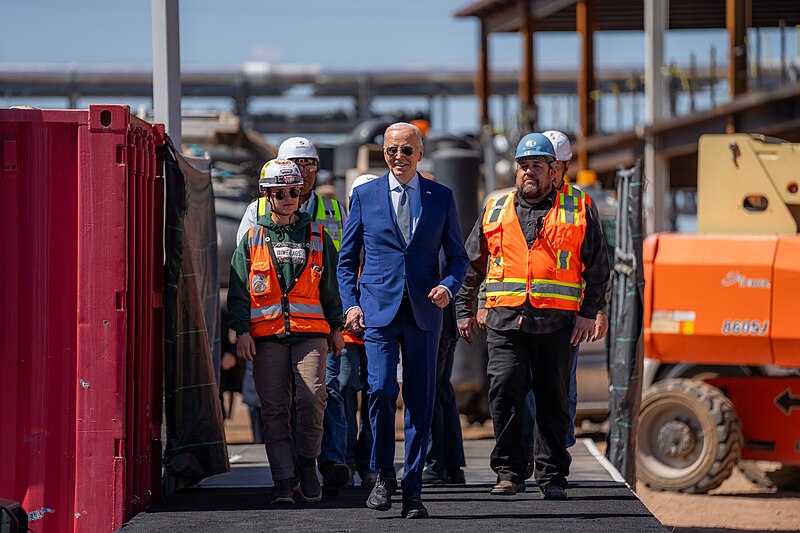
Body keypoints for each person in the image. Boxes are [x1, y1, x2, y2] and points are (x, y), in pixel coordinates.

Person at [456, 133, 609, 501]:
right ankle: (509, 472)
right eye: (524, 165)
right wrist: (464, 309)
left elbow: (599, 267)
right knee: (504, 393)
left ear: (553, 171)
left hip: (557, 324)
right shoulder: (496, 208)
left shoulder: (579, 206)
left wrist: (590, 313)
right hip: (505, 322)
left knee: (553, 400)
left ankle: (552, 476)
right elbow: (470, 265)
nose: (529, 172)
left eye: (537, 166)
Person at [337, 122, 469, 519]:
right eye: (391, 150)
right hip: (377, 310)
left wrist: (449, 285)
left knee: (420, 401)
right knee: (377, 392)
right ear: (384, 153)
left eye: (406, 151)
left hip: (424, 311)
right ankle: (383, 474)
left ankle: (413, 488)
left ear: (420, 153)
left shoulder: (441, 198)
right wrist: (351, 305)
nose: (398, 157)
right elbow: (346, 262)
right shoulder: (365, 195)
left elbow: (459, 257)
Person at [236, 137, 352, 493]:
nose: (289, 198)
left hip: (311, 331)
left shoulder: (319, 229)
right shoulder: (253, 232)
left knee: (314, 397)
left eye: (295, 192)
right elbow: (239, 285)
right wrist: (240, 330)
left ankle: (308, 464)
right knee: (274, 408)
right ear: (267, 194)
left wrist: (337, 327)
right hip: (268, 334)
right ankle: (283, 480)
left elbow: (332, 283)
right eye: (281, 192)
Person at [339, 174, 380, 490]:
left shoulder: (385, 234)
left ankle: (368, 464)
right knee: (343, 397)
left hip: (379, 333)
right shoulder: (345, 235)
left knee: (374, 400)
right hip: (350, 335)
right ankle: (346, 460)